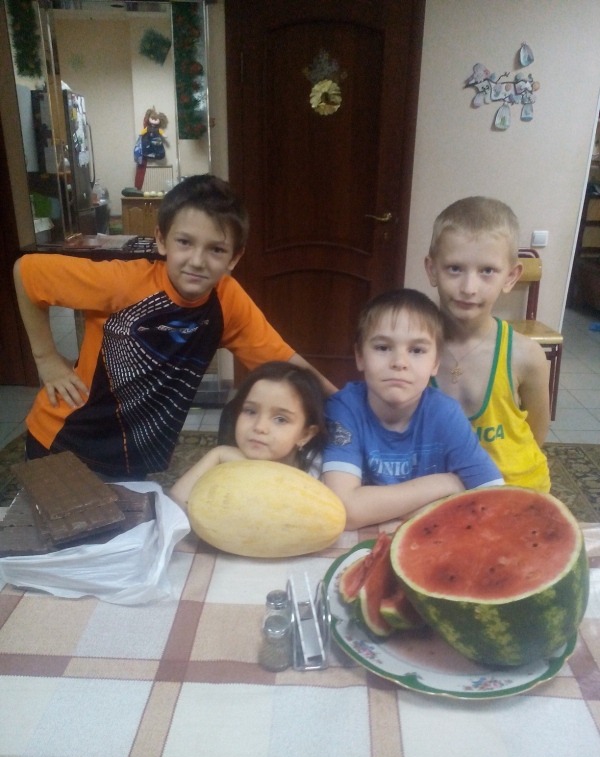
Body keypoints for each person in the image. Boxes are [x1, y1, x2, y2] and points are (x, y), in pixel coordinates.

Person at [14, 174, 336, 480]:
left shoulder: (227, 301)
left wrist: (350, 407)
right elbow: (26, 273)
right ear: (162, 240)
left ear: (234, 258)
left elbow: (290, 367)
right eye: (185, 242)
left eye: (216, 249)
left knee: (130, 521)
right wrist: (46, 359)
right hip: (65, 441)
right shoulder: (123, 282)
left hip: (132, 458)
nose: (197, 260)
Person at [321, 288, 503, 530]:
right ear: (360, 356)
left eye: (417, 350)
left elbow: (496, 499)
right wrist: (446, 483)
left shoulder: (446, 414)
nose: (399, 362)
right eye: (383, 348)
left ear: (435, 363)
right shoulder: (344, 408)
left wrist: (376, 506)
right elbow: (344, 510)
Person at [424, 196, 551, 492]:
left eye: (487, 271)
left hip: (514, 490)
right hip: (439, 490)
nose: (469, 288)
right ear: (432, 270)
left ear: (511, 277)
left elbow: (537, 434)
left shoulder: (526, 355)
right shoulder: (411, 351)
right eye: (454, 268)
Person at [169, 360, 327, 509]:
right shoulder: (225, 465)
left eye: (280, 419)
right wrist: (217, 454)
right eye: (250, 411)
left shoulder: (319, 478)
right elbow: (175, 504)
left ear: (305, 435)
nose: (259, 427)